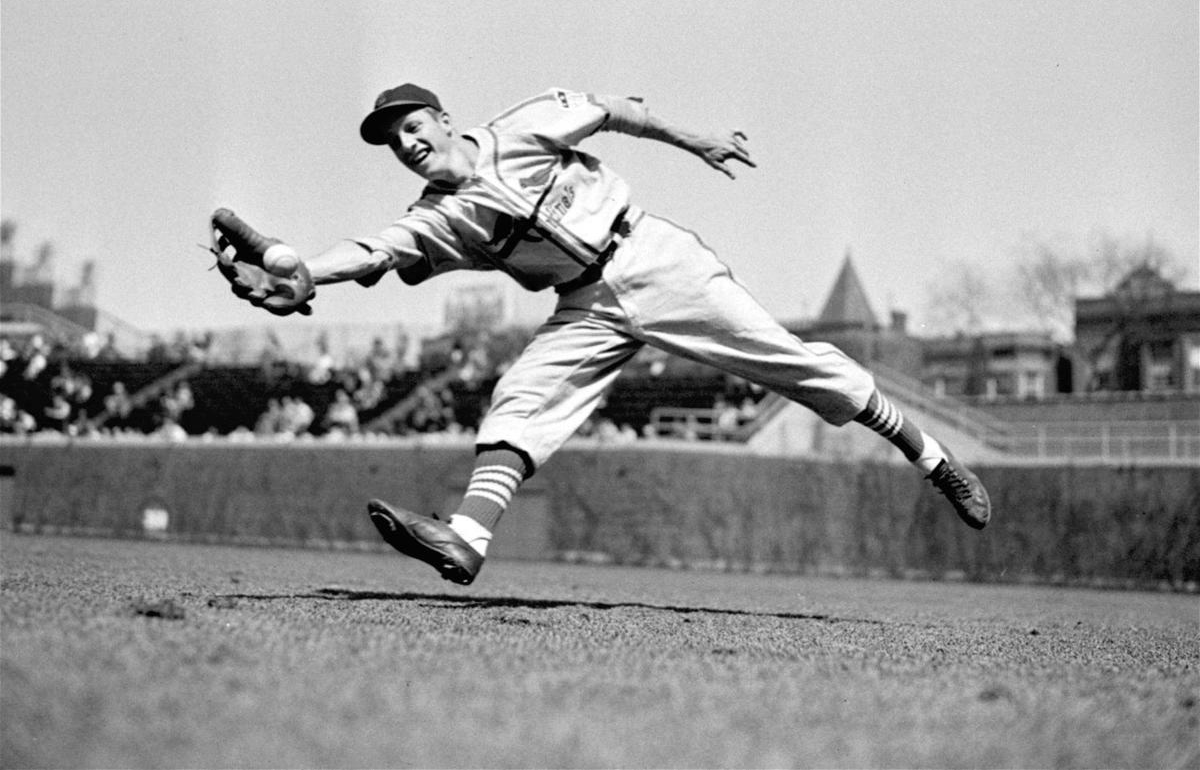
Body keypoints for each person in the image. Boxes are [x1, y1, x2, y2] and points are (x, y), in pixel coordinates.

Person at [230, 82, 991, 585]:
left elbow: (616, 110)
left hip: (652, 257)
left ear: (442, 119)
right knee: (521, 394)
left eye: (410, 124)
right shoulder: (436, 214)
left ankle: (930, 456)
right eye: (391, 139)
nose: (404, 141)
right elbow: (376, 251)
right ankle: (466, 538)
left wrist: (697, 140)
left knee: (795, 367)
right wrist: (305, 276)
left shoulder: (521, 127)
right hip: (586, 301)